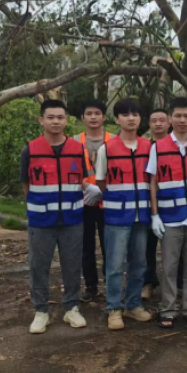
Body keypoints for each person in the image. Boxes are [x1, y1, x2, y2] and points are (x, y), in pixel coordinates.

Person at [21, 99, 89, 333]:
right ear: (42, 120)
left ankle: (71, 307)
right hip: (41, 222)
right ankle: (41, 311)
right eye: (51, 117)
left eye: (60, 117)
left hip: (72, 220)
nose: (56, 121)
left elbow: (80, 180)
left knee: (72, 265)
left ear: (66, 120)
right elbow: (26, 184)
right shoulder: (30, 150)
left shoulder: (77, 149)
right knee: (39, 266)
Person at [148, 97, 187, 328]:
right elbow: (153, 183)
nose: (182, 120)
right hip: (169, 217)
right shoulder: (158, 147)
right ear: (170, 119)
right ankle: (167, 309)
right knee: (169, 266)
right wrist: (155, 215)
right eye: (178, 116)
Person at [96, 98, 154, 330]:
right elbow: (100, 182)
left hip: (142, 216)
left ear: (141, 118)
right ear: (117, 119)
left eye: (135, 114)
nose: (131, 118)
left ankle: (133, 305)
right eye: (126, 114)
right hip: (117, 217)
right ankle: (114, 308)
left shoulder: (149, 147)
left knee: (139, 263)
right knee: (115, 265)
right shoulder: (106, 149)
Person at [78, 99, 112, 303]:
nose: (93, 117)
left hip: (108, 202)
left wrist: (103, 190)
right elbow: (70, 170)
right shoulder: (73, 141)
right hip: (84, 201)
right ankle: (91, 286)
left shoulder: (114, 140)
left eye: (97, 113)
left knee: (110, 245)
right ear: (82, 117)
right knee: (86, 245)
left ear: (104, 117)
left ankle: (111, 283)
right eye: (88, 113)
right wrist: (86, 186)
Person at [142, 109, 174, 301]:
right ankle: (149, 282)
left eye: (162, 120)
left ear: (169, 122)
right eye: (154, 120)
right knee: (148, 246)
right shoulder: (144, 147)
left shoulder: (177, 145)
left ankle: (175, 284)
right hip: (148, 203)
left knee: (173, 247)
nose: (158, 124)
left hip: (172, 203)